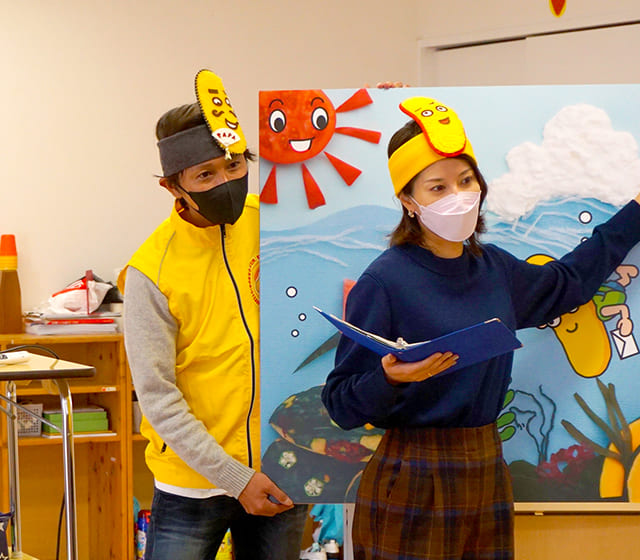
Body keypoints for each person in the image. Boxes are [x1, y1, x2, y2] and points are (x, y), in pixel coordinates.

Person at [321, 96, 640, 559]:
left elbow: (568, 282)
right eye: (437, 187)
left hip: (486, 467)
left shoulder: (494, 269)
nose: (458, 195)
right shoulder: (384, 281)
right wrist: (390, 377)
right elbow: (340, 403)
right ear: (408, 201)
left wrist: (635, 213)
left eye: (466, 180)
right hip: (412, 474)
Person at [119, 69, 309, 560]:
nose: (225, 181)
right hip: (192, 485)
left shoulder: (277, 225)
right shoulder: (151, 270)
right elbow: (158, 397)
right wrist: (235, 478)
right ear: (173, 187)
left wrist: (385, 113)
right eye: (205, 175)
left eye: (233, 164)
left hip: (280, 466)